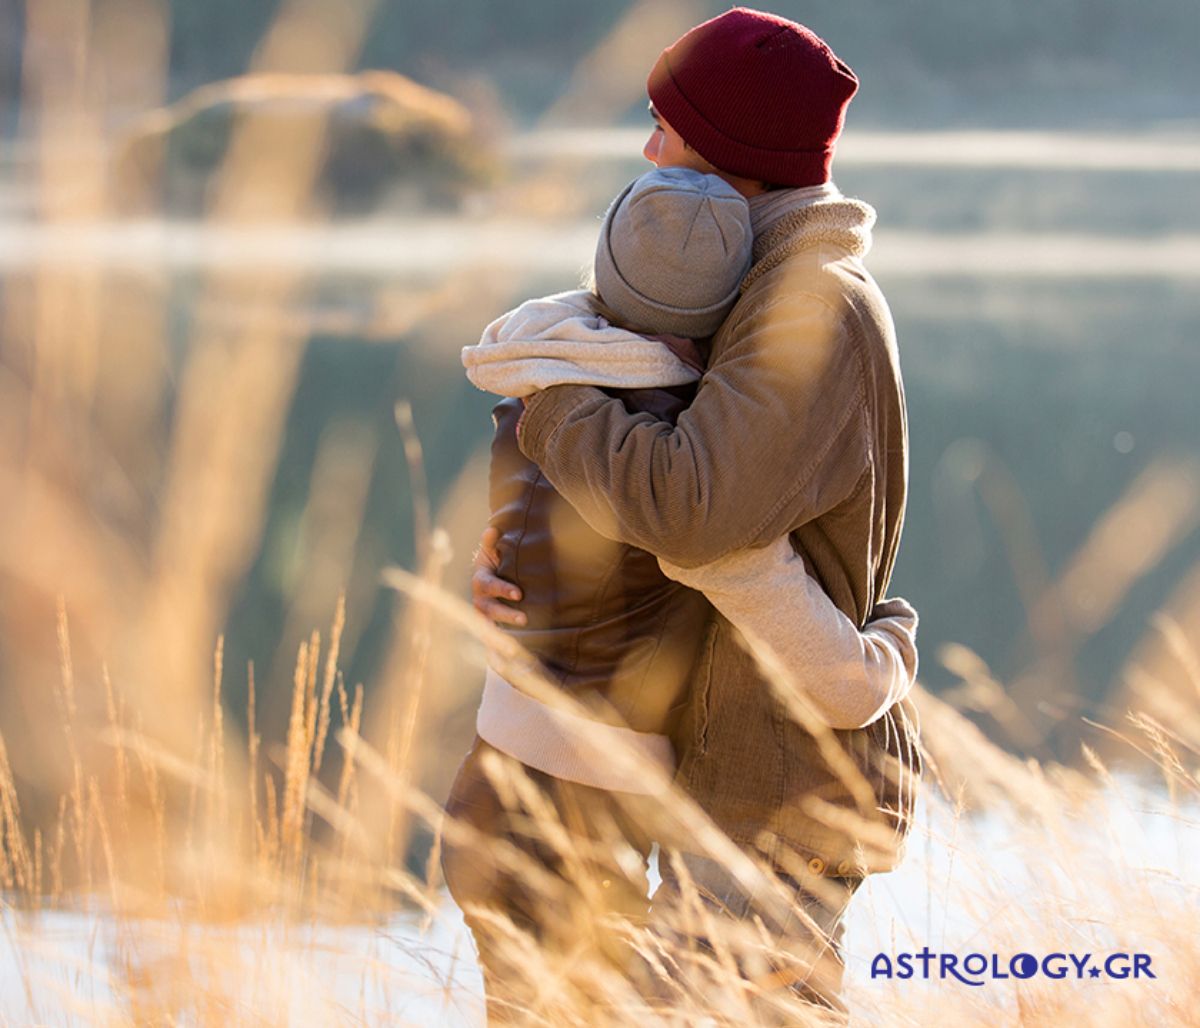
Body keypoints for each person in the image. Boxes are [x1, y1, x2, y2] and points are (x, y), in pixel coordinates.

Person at [464, 6, 923, 1019]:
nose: (646, 148)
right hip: (730, 760)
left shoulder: (811, 304)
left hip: (782, 784)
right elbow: (683, 502)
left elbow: (693, 512)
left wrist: (549, 400)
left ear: (732, 157)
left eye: (666, 128)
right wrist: (532, 559)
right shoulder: (754, 286)